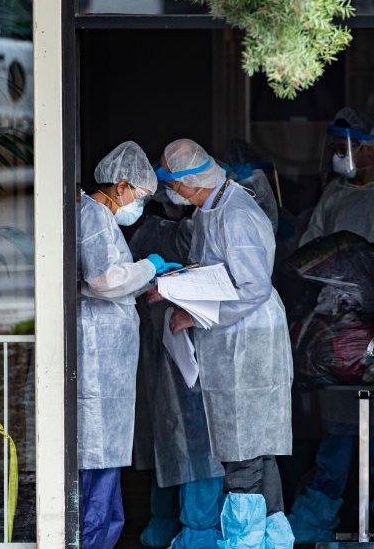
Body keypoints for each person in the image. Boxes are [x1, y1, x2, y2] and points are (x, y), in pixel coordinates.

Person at [156, 138, 295, 549]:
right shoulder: (210, 209)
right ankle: (271, 539)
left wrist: (193, 312)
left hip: (247, 343)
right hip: (231, 340)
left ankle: (246, 542)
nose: (169, 192)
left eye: (171, 183)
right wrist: (174, 286)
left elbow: (251, 286)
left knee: (245, 451)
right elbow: (214, 272)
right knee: (255, 448)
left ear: (190, 181)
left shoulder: (236, 213)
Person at [285, 108, 374, 544]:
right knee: (337, 438)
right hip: (334, 331)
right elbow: (308, 253)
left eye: (344, 146)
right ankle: (313, 525)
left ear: (368, 146)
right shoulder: (336, 196)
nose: (337, 155)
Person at [78, 141, 181, 549]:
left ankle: (102, 536)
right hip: (98, 355)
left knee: (107, 462)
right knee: (97, 458)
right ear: (121, 185)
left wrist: (149, 277)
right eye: (139, 196)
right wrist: (148, 267)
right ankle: (91, 539)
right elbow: (104, 280)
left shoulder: (101, 216)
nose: (139, 205)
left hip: (110, 356)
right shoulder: (94, 217)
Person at [128, 206, 226, 548]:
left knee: (175, 442)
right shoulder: (182, 232)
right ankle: (194, 531)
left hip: (176, 347)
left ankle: (168, 525)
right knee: (195, 446)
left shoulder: (185, 230)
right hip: (182, 351)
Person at [300, 107, 374, 248]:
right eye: (336, 149)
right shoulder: (334, 191)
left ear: (370, 148)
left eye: (343, 149)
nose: (337, 156)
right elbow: (311, 240)